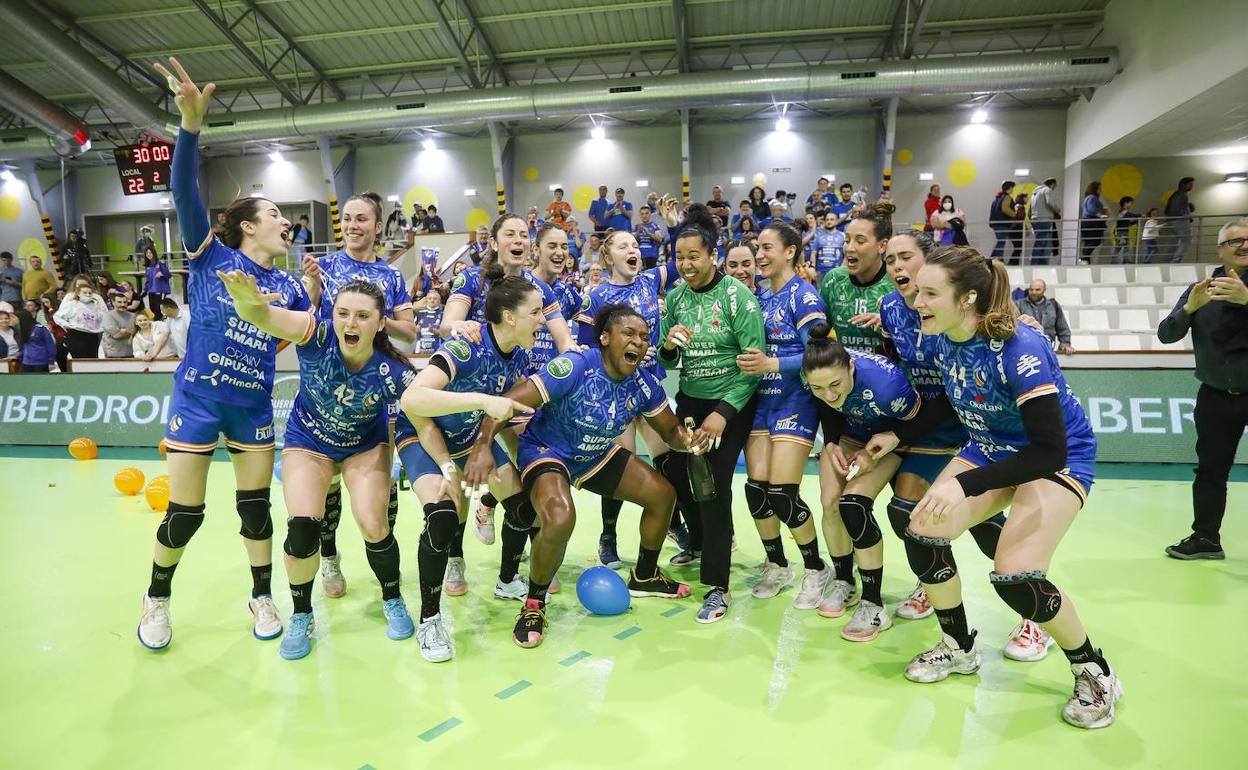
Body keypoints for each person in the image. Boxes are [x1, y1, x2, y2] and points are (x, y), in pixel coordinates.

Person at [860, 245, 1118, 730]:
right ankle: (959, 648)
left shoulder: (1021, 348)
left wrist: (966, 485)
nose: (918, 301)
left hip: (1054, 460)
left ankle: (1094, 670)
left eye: (931, 293)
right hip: (988, 445)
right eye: (919, 291)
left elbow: (1049, 451)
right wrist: (898, 434)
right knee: (921, 529)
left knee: (1016, 573)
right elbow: (948, 402)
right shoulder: (940, 337)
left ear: (968, 298)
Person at [135, 58, 311, 652]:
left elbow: (289, 336)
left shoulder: (287, 288)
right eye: (277, 215)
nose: (287, 222)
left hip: (252, 405)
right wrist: (189, 127)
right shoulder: (209, 254)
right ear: (246, 227)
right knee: (185, 514)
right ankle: (156, 599)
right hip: (198, 400)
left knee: (257, 510)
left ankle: (262, 596)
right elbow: (182, 189)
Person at [466, 304, 706, 648]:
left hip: (595, 453)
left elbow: (671, 434)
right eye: (629, 333)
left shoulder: (643, 384)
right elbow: (508, 402)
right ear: (605, 338)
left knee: (662, 494)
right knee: (561, 517)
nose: (638, 341)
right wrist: (483, 444)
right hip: (548, 450)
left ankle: (645, 574)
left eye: (643, 336)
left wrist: (691, 441)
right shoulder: (574, 367)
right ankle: (534, 603)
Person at [221, 273, 418, 660]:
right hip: (309, 443)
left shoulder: (392, 371)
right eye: (343, 313)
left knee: (374, 525)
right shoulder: (317, 335)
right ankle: (302, 615)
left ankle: (392, 598)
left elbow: (428, 407)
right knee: (301, 532)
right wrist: (247, 302)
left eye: (362, 316)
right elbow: (261, 316)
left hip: (364, 445)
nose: (350, 323)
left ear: (380, 324)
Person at [877, 231, 1044, 657]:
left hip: (1024, 445)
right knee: (918, 521)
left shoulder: (1004, 337)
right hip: (964, 428)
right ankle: (952, 629)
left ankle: (1038, 619)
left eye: (906, 258)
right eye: (890, 259)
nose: (898, 269)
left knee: (1009, 557)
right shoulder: (906, 317)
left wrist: (1021, 326)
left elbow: (1051, 442)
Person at [395, 269, 542, 661]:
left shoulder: (519, 356)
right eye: (537, 312)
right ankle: (429, 621)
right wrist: (480, 402)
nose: (542, 319)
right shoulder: (465, 348)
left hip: (469, 440)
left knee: (524, 506)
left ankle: (508, 580)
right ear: (510, 316)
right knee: (443, 517)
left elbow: (503, 414)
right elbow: (413, 399)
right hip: (422, 436)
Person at [438, 213, 576, 590]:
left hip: (512, 389)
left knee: (527, 467)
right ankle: (455, 559)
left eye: (523, 234)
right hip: (466, 391)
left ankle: (528, 555)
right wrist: (459, 326)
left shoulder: (536, 288)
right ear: (494, 241)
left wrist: (573, 358)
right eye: (510, 233)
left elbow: (563, 338)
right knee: (462, 484)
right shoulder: (471, 277)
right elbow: (447, 322)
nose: (518, 239)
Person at [300, 190, 418, 600]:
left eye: (361, 219)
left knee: (381, 485)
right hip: (328, 386)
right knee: (327, 484)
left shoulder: (390, 276)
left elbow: (410, 330)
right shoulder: (324, 266)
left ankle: (384, 552)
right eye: (347, 218)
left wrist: (379, 320)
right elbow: (306, 318)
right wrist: (313, 287)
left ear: (376, 225)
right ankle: (329, 556)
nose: (352, 226)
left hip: (377, 387)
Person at [658, 204, 765, 623]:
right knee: (677, 471)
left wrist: (722, 414)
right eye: (679, 257)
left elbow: (753, 366)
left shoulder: (739, 298)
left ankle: (716, 586)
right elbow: (666, 362)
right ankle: (701, 542)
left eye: (694, 256)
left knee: (713, 485)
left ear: (713, 256)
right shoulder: (676, 299)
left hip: (730, 404)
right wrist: (670, 344)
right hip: (690, 400)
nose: (686, 265)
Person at [734, 222, 831, 607]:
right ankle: (776, 563)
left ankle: (815, 567)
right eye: (758, 247)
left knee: (782, 494)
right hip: (762, 403)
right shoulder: (759, 298)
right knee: (756, 492)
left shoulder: (803, 297)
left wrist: (772, 363)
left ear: (790, 251)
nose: (759, 255)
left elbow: (819, 354)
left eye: (767, 247)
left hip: (795, 402)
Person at [576, 227, 681, 568]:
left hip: (650, 387)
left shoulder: (650, 281)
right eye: (624, 246)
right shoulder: (596, 297)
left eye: (635, 245)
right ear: (608, 257)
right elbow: (585, 346)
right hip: (615, 392)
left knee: (667, 457)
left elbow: (684, 261)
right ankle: (609, 537)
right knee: (621, 462)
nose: (633, 249)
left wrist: (675, 226)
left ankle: (674, 524)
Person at [1159, 217, 1248, 560]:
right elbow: (1166, 334)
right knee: (1210, 471)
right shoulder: (1202, 289)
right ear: (1221, 249)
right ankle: (1206, 539)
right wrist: (1189, 308)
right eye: (1236, 240)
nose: (1244, 245)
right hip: (1215, 396)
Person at [52, 276, 105, 361]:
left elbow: (104, 315)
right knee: (79, 360)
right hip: (77, 334)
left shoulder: (96, 304)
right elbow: (57, 316)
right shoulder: (72, 304)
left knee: (92, 360)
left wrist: (101, 328)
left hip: (92, 335)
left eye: (89, 293)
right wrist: (66, 325)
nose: (88, 295)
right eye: (85, 293)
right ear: (78, 293)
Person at [1015, 279, 1073, 354]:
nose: (1034, 292)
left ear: (1044, 290)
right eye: (1031, 289)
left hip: (1048, 349)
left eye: (1037, 290)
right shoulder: (1018, 304)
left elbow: (1062, 328)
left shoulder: (1053, 305)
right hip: (1026, 350)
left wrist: (1065, 344)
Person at [1164, 176, 1196, 263]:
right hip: (1178, 220)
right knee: (1186, 240)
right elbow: (1176, 209)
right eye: (1190, 184)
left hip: (1173, 221)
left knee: (1176, 241)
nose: (1192, 186)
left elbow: (1170, 209)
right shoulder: (1181, 195)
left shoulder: (1177, 195)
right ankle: (1175, 260)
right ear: (1184, 185)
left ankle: (1171, 259)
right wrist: (1185, 216)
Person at [1029, 178, 1061, 264]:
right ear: (1052, 184)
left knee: (1042, 242)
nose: (1055, 187)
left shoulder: (1035, 193)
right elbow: (1049, 202)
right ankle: (1035, 262)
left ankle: (1040, 262)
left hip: (1035, 219)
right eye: (1055, 185)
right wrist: (1057, 210)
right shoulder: (1047, 189)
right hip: (1043, 219)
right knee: (1041, 242)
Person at [18, 308, 56, 372]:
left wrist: (51, 361)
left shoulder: (40, 329)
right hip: (26, 362)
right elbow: (26, 346)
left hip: (40, 362)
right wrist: (19, 355)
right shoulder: (23, 330)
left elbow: (50, 345)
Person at [811, 211, 846, 278]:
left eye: (832, 219)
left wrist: (842, 269)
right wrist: (812, 269)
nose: (829, 221)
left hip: (837, 272)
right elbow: (813, 254)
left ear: (836, 221)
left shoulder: (843, 236)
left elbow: (846, 255)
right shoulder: (818, 236)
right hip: (821, 272)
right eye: (827, 220)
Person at [988, 181, 1017, 261]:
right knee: (1001, 242)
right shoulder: (1007, 197)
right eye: (1012, 188)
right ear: (1010, 187)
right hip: (1003, 223)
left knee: (1000, 241)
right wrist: (1014, 214)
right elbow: (1005, 209)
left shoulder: (997, 198)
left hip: (995, 223)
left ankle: (991, 259)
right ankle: (1000, 259)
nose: (1013, 190)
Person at [1080, 181, 1108, 262]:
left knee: (1088, 242)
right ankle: (1084, 258)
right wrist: (1100, 215)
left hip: (1087, 222)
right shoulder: (1092, 197)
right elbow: (1091, 209)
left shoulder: (1088, 197)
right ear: (1095, 189)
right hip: (1092, 223)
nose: (1100, 190)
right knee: (1095, 240)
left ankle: (1085, 260)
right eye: (1099, 188)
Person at [141, 246, 172, 320]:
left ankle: (161, 325)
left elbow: (168, 275)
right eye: (147, 253)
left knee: (159, 309)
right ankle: (156, 325)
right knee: (152, 308)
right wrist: (145, 290)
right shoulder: (148, 266)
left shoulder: (160, 263)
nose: (148, 254)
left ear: (154, 253)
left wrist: (162, 274)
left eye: (150, 252)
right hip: (151, 291)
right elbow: (148, 280)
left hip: (159, 290)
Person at [1111, 197, 1141, 264]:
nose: (1131, 205)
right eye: (1130, 203)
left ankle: (1114, 260)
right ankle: (1125, 260)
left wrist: (1134, 222)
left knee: (1119, 247)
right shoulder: (1123, 211)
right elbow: (1130, 215)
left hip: (1122, 232)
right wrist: (1140, 215)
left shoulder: (1123, 212)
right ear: (1125, 203)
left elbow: (1126, 224)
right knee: (1125, 246)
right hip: (1122, 233)